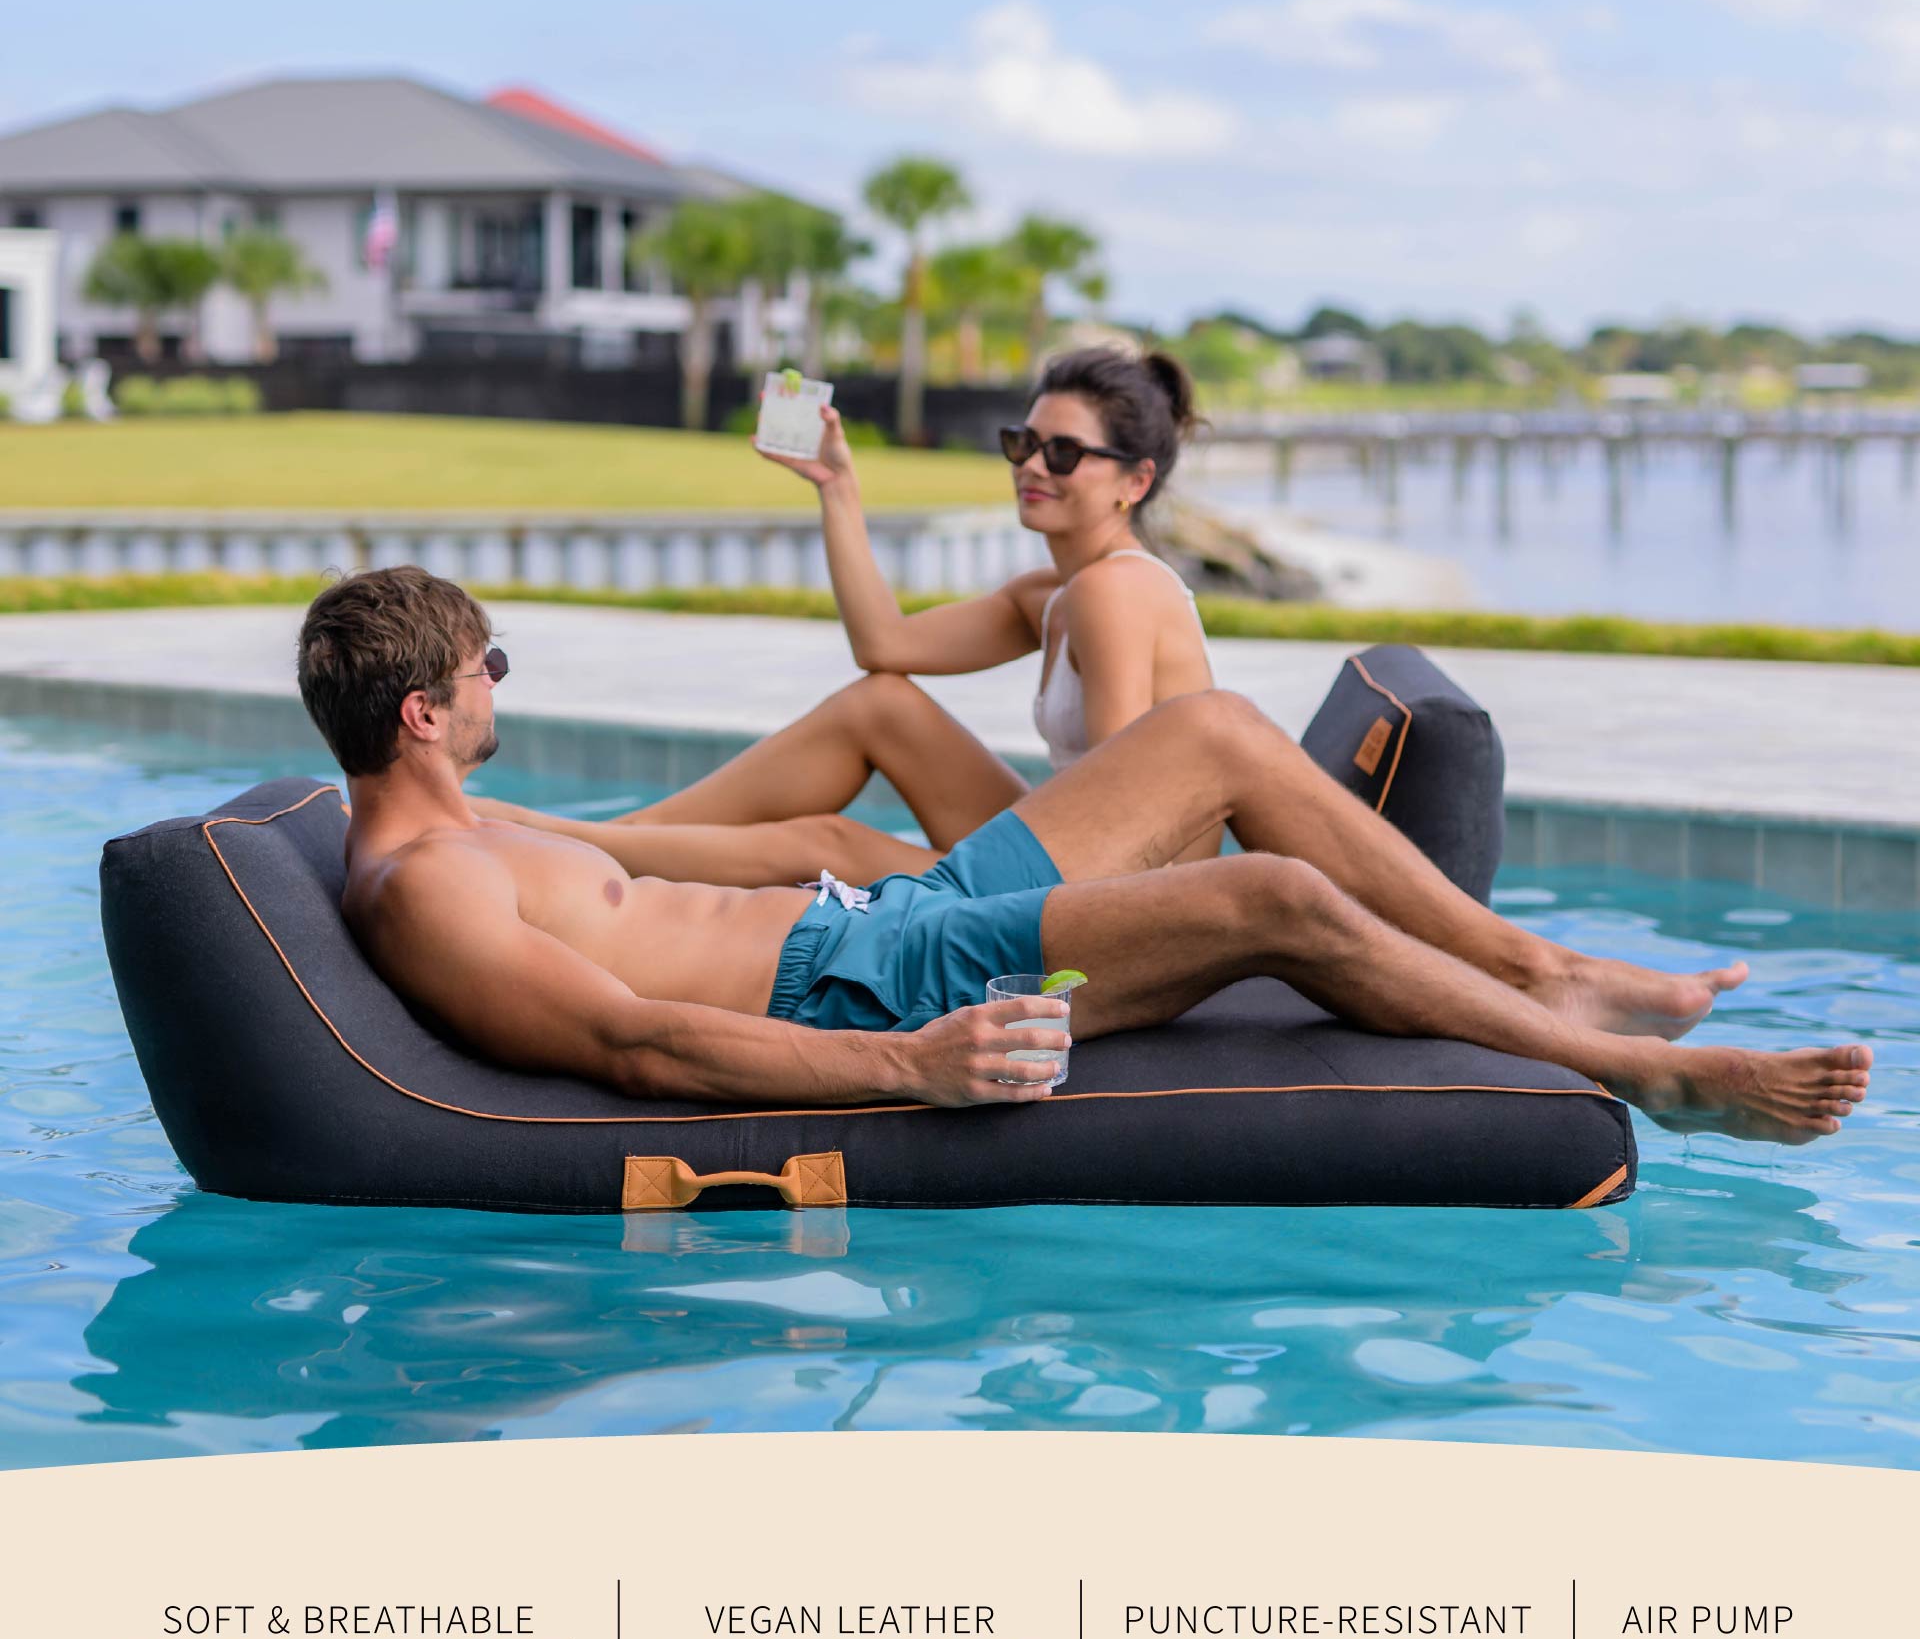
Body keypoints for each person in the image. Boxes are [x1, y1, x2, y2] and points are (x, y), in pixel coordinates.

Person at [296, 566, 1872, 1145]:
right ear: (430, 711)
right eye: (494, 663)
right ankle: (1663, 1086)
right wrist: (915, 1071)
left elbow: (692, 867)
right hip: (861, 989)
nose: (510, 679)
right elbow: (636, 1048)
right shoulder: (432, 887)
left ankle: (1548, 969)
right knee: (1275, 898)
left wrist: (846, 854)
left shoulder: (461, 824)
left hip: (879, 915)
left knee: (1219, 738)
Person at [471, 346, 1220, 884]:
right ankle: (613, 840)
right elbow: (885, 646)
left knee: (825, 843)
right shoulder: (1047, 595)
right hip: (1073, 852)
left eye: (1062, 454)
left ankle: (570, 842)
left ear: (1136, 480)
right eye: (1022, 443)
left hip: (1116, 894)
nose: (1030, 466)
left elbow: (1130, 815)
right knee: (883, 705)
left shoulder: (1115, 592)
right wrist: (838, 487)